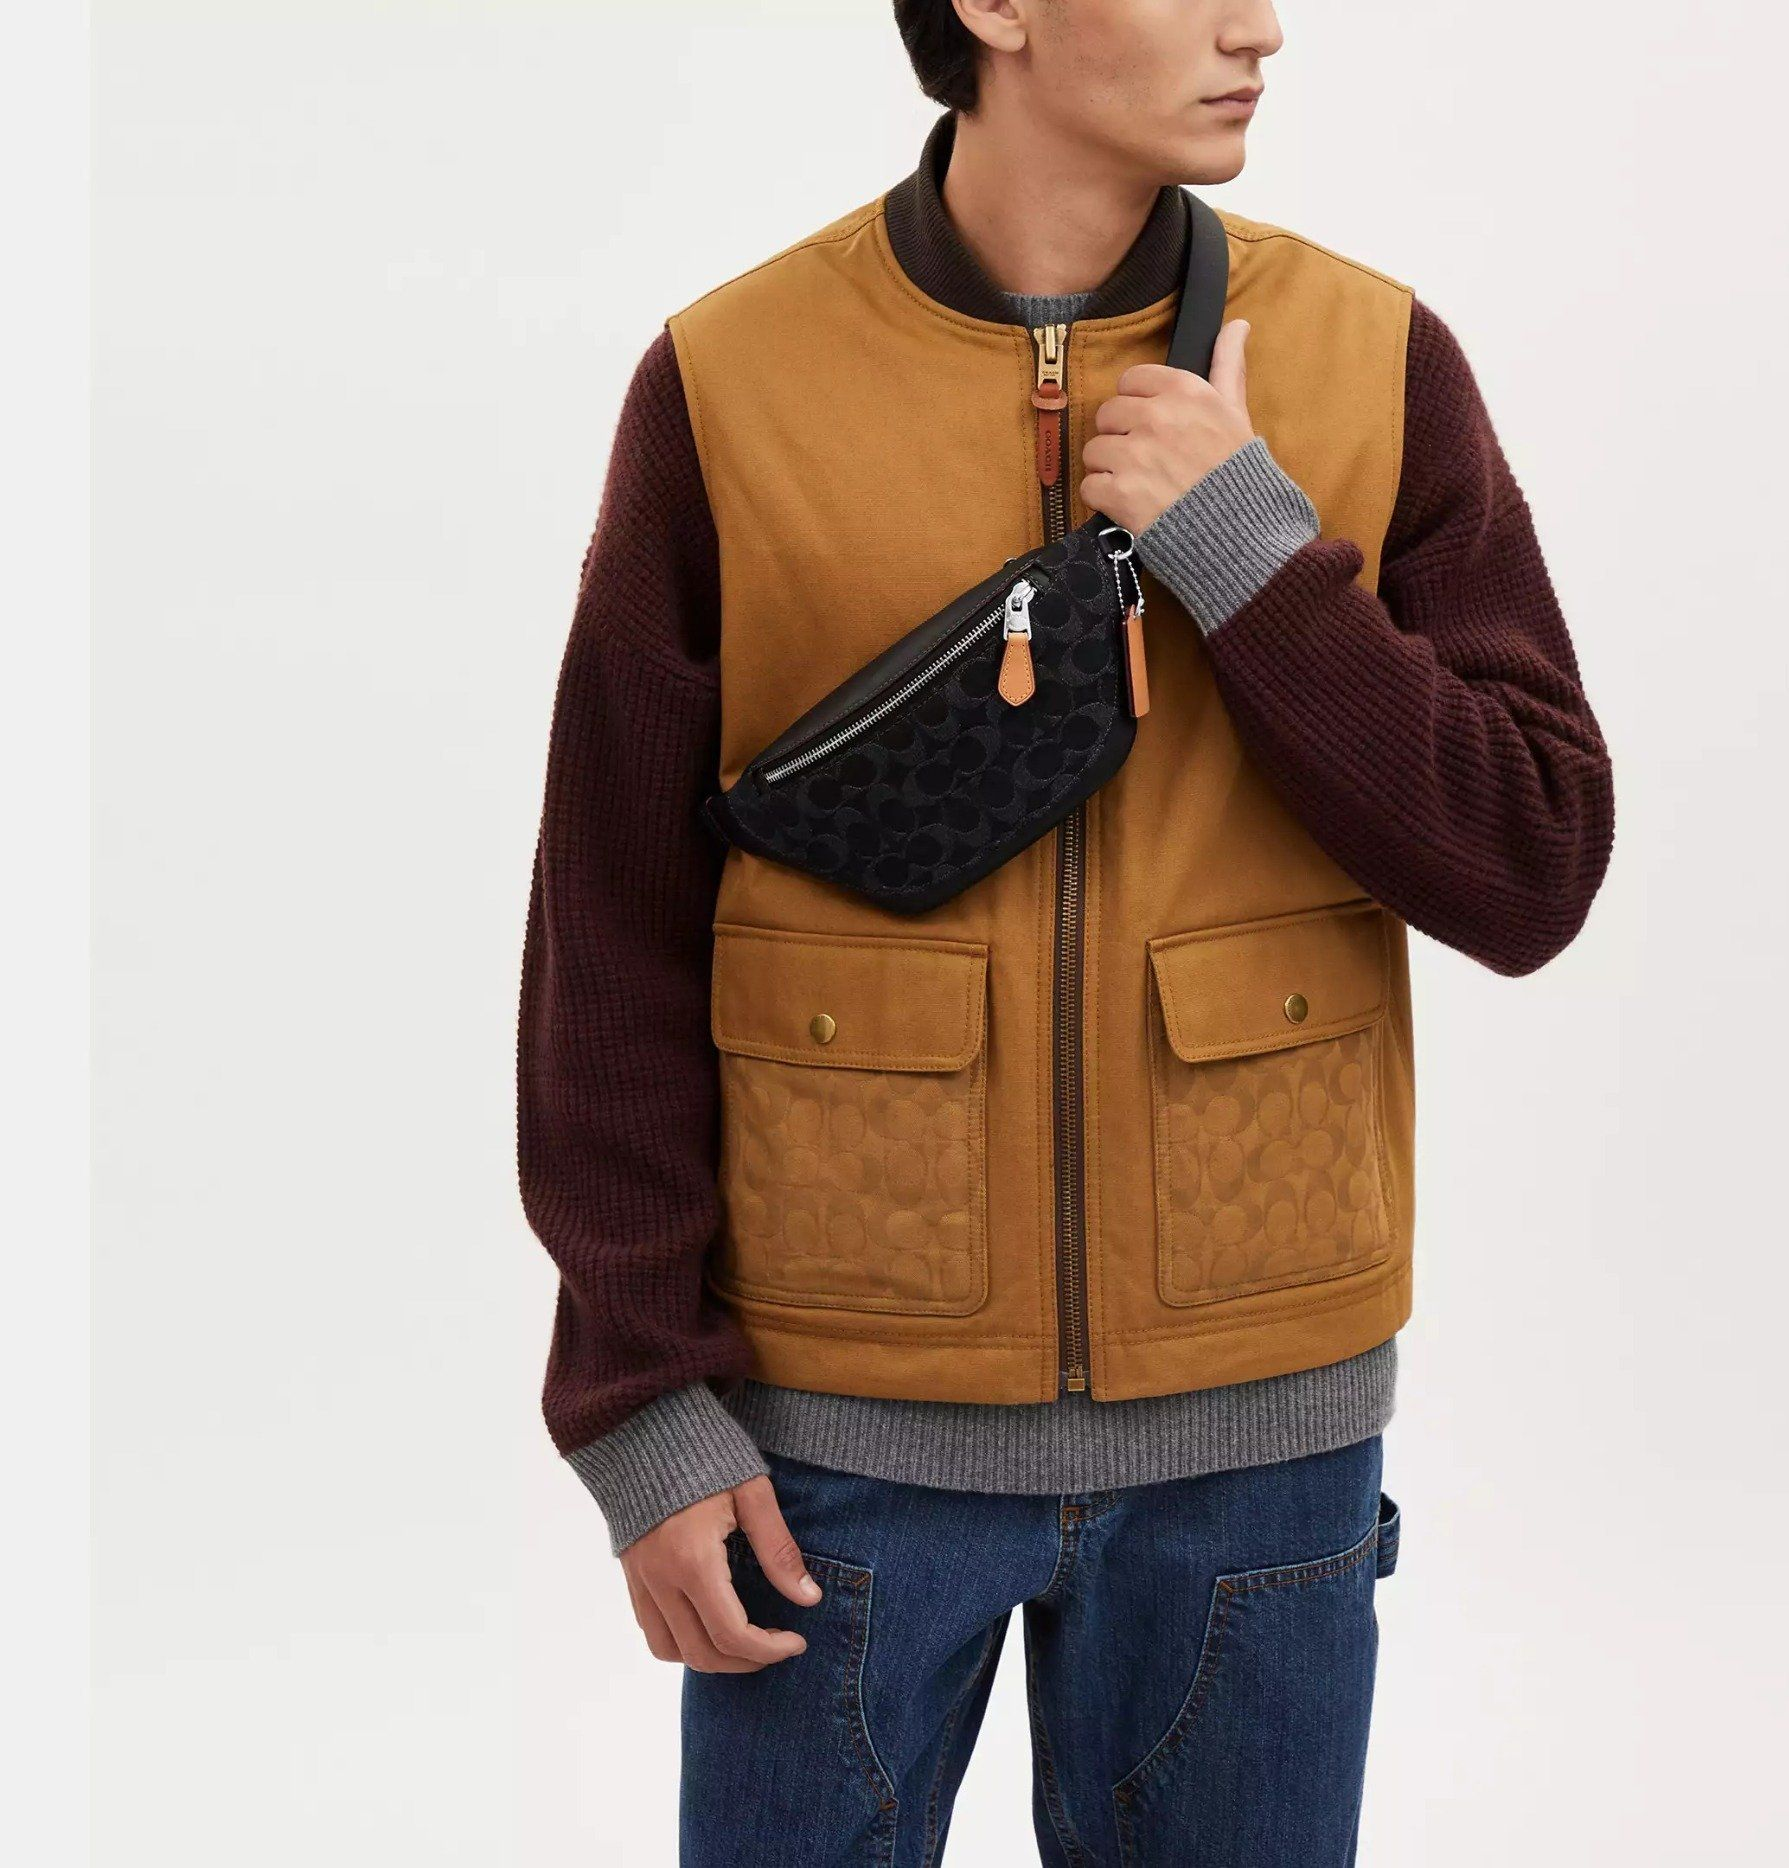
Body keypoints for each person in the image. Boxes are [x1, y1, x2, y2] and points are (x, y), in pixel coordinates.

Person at [518, 1, 1613, 1860]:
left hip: (1259, 1462)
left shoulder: (1372, 357)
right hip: (827, 1456)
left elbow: (1533, 862)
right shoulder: (730, 380)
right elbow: (610, 928)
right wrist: (640, 1405)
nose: (1260, 26)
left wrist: (1246, 550)